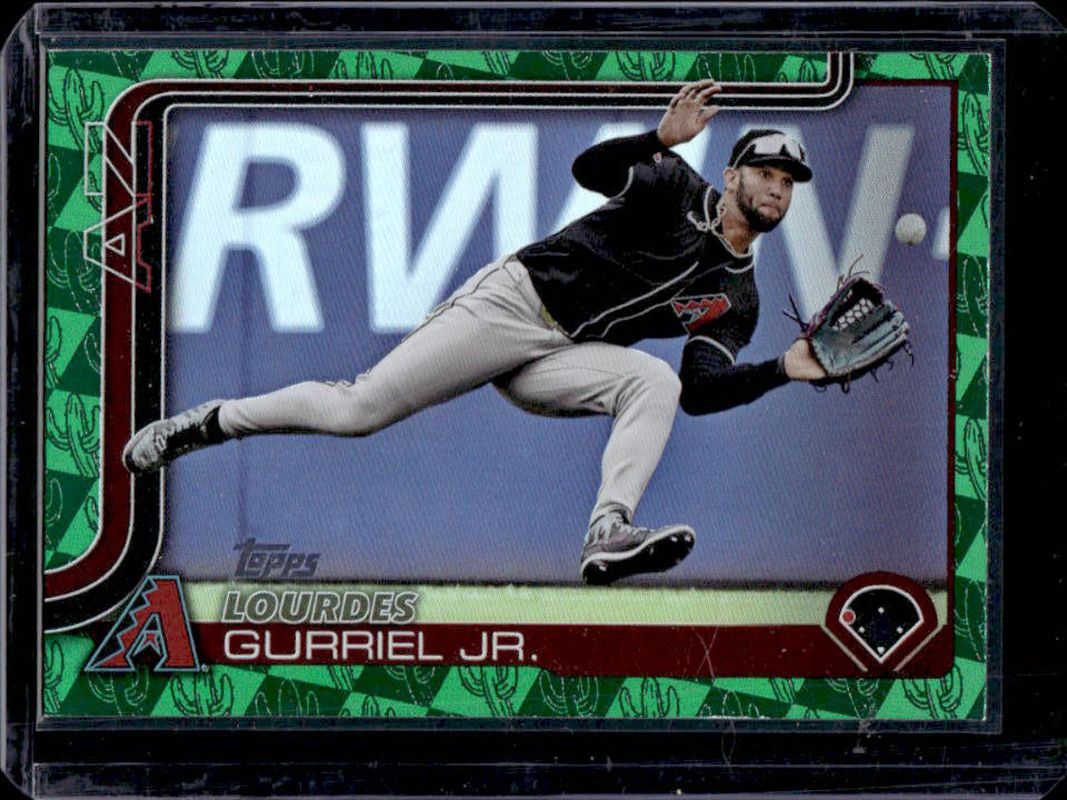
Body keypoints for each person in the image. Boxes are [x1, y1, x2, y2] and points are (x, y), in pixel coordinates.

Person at [123, 78, 827, 585]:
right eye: (764, 171)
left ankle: (607, 530)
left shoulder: (737, 297)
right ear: (732, 174)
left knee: (653, 379)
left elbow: (698, 389)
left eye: (788, 180)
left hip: (565, 355)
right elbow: (590, 169)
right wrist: (657, 139)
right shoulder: (674, 186)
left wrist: (781, 371)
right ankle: (208, 422)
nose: (775, 187)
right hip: (514, 306)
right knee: (357, 409)